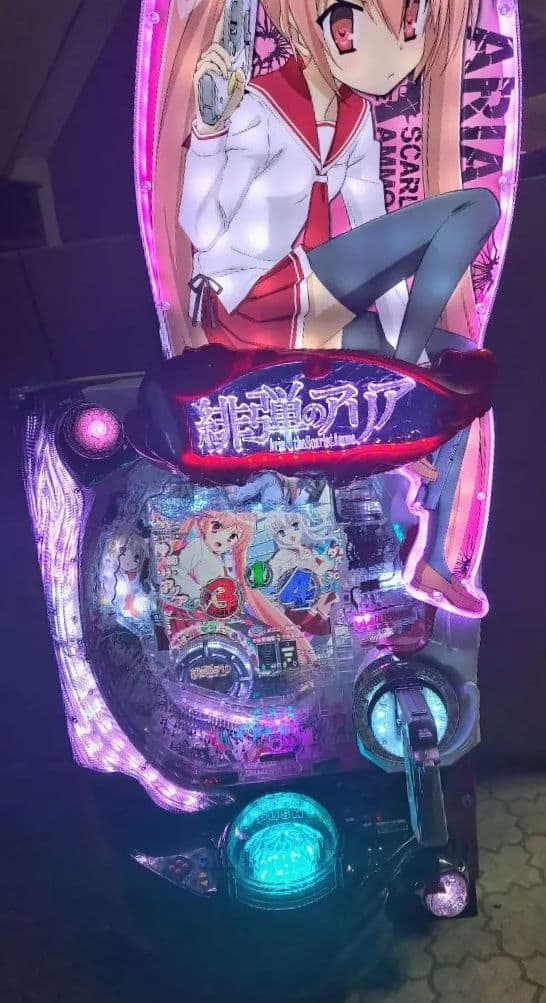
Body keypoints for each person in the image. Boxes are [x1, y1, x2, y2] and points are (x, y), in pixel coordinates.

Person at [153, 0, 498, 614]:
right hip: (251, 302)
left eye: (413, 30)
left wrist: (402, 349)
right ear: (331, 28)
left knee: (463, 368)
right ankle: (406, 376)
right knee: (474, 208)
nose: (407, 52)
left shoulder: (355, 114)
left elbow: (374, 230)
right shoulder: (256, 106)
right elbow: (200, 228)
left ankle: (435, 563)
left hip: (314, 303)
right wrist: (208, 133)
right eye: (389, 28)